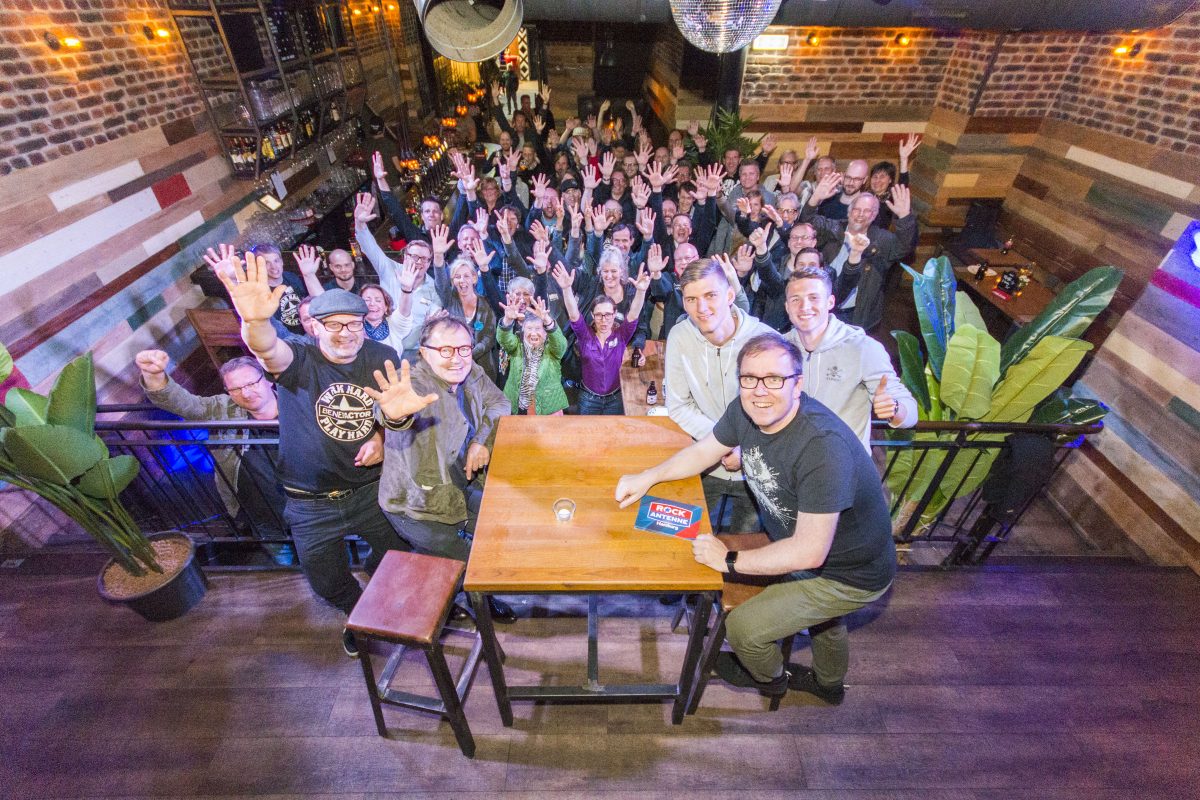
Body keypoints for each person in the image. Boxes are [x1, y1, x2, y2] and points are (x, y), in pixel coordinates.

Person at [616, 331, 896, 701]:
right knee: (824, 621)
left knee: (744, 629)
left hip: (849, 574)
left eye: (774, 379)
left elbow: (810, 553)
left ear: (798, 384)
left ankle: (773, 680)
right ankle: (830, 685)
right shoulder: (747, 409)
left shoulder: (823, 449)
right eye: (749, 378)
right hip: (805, 546)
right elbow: (704, 452)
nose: (760, 390)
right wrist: (648, 476)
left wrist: (729, 560)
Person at [213, 253, 406, 660]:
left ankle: (381, 594)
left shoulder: (381, 357)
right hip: (309, 501)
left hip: (369, 490)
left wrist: (382, 437)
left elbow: (395, 412)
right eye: (334, 324)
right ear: (315, 326)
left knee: (399, 554)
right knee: (324, 580)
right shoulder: (300, 357)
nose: (346, 333)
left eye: (353, 324)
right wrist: (254, 321)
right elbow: (268, 349)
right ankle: (358, 613)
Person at [366, 317, 516, 623]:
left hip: (461, 483)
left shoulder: (471, 372)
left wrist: (481, 440)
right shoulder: (417, 385)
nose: (456, 358)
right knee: (470, 559)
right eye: (445, 350)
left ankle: (450, 584)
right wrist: (394, 416)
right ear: (424, 352)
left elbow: (500, 402)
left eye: (463, 349)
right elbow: (394, 412)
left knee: (498, 527)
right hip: (416, 506)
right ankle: (464, 602)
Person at [135, 350, 288, 560]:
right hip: (263, 515)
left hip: (312, 507)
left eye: (252, 383)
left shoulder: (298, 404)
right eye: (236, 388)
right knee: (283, 558)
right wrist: (154, 375)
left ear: (268, 380)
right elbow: (182, 403)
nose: (246, 393)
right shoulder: (225, 408)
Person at [664, 259, 772, 533]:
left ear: (730, 295)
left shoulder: (766, 341)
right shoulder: (679, 336)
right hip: (705, 464)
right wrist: (723, 444)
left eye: (710, 295)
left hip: (756, 469)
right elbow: (678, 405)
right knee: (685, 538)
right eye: (691, 299)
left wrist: (745, 450)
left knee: (745, 544)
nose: (701, 308)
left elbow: (783, 414)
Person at [783, 267, 917, 448]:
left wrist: (894, 408)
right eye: (795, 299)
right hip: (792, 459)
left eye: (813, 298)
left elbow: (910, 411)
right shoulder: (778, 348)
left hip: (843, 461)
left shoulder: (863, 348)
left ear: (830, 302)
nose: (804, 306)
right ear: (787, 307)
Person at [802, 178, 917, 331]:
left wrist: (904, 218)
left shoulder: (880, 240)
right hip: (823, 307)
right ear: (849, 211)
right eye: (857, 209)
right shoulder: (834, 229)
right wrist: (815, 198)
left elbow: (904, 246)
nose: (861, 214)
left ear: (874, 215)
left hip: (855, 315)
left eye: (867, 211)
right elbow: (806, 223)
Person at [552, 260, 650, 415]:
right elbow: (573, 314)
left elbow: (634, 314)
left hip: (615, 400)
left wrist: (641, 292)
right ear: (592, 315)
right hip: (588, 399)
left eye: (608, 315)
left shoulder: (621, 335)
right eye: (599, 315)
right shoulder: (585, 335)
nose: (604, 320)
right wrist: (566, 289)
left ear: (615, 314)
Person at [497, 295, 568, 415]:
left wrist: (547, 321)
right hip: (517, 408)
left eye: (538, 328)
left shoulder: (552, 349)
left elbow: (561, 344)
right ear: (523, 330)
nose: (533, 333)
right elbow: (503, 339)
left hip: (548, 408)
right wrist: (507, 320)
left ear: (546, 333)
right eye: (529, 328)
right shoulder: (517, 346)